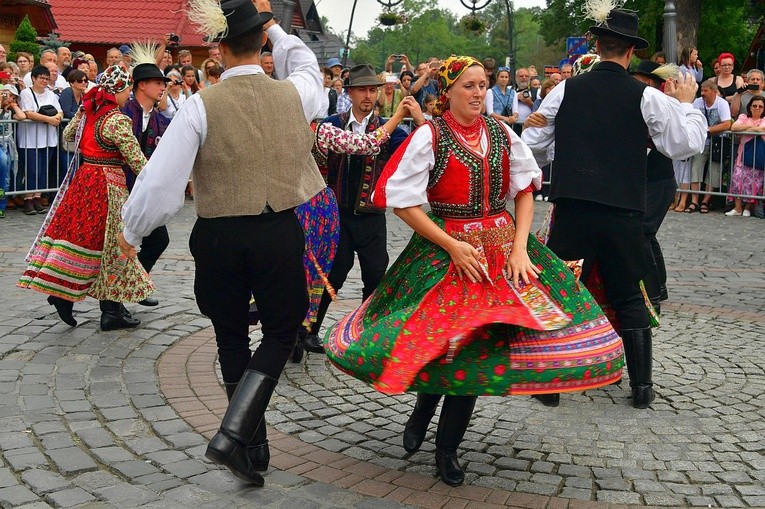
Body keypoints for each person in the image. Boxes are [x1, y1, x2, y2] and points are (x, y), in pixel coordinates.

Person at [323, 56, 624, 487]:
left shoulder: (502, 133)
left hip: (500, 252)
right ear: (447, 92)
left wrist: (520, 249)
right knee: (443, 342)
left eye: (483, 85)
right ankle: (423, 412)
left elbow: (524, 190)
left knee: (474, 350)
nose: (479, 93)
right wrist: (451, 245)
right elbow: (402, 200)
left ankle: (446, 448)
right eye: (469, 86)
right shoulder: (431, 134)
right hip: (448, 252)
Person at [119, 0, 326, 487]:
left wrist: (132, 231)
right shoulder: (295, 94)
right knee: (282, 331)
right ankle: (239, 437)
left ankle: (248, 445)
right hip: (277, 229)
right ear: (260, 44)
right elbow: (307, 64)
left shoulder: (198, 105)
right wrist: (276, 28)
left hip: (219, 234)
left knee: (230, 335)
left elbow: (160, 182)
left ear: (219, 47)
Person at [522, 5, 706, 409]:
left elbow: (532, 145)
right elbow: (684, 145)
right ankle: (642, 387)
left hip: (572, 210)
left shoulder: (565, 89)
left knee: (563, 292)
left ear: (599, 46)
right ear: (628, 52)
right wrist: (689, 105)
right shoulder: (645, 96)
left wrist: (549, 134)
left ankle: (550, 386)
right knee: (627, 296)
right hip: (622, 212)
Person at [18, 64, 154, 329]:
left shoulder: (91, 114)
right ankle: (108, 311)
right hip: (108, 186)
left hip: (84, 181)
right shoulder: (116, 120)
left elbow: (68, 137)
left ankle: (70, 297)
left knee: (84, 241)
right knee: (114, 246)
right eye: (126, 89)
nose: (128, 94)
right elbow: (139, 163)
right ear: (117, 90)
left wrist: (82, 113)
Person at [300, 64, 409, 355]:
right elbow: (362, 147)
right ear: (349, 93)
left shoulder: (389, 128)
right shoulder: (332, 124)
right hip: (338, 216)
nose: (369, 95)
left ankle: (365, 333)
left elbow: (413, 150)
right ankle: (308, 330)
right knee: (333, 274)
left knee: (375, 275)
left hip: (372, 216)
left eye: (373, 89)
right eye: (362, 89)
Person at [121, 46, 173, 307]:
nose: (162, 87)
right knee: (112, 248)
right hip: (118, 190)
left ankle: (135, 284)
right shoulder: (124, 113)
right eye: (157, 82)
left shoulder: (158, 118)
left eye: (163, 83)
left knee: (158, 239)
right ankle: (110, 305)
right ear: (141, 85)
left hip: (143, 192)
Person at [631, 60, 679, 315]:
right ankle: (659, 287)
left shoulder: (663, 106)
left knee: (644, 231)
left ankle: (653, 293)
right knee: (647, 233)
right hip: (647, 180)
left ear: (650, 83)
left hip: (660, 180)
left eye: (640, 80)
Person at [17, 65, 62, 215]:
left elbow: (59, 110)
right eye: (41, 78)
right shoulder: (26, 93)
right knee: (32, 170)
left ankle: (38, 196)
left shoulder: (51, 94)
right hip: (31, 139)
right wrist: (49, 119)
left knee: (43, 170)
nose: (44, 81)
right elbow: (28, 113)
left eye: (46, 78)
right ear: (33, 78)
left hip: (48, 138)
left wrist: (57, 117)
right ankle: (27, 198)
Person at [690, 80, 732, 214]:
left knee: (714, 172)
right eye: (701, 90)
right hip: (700, 143)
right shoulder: (697, 102)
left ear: (714, 92)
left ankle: (705, 201)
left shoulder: (722, 103)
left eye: (705, 91)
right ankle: (694, 200)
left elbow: (727, 124)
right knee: (695, 169)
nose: (702, 93)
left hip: (717, 142)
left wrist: (708, 130)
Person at [726, 95, 765, 217]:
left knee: (754, 183)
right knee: (737, 180)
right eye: (754, 106)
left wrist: (748, 128)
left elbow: (762, 129)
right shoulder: (743, 117)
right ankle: (737, 207)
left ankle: (748, 207)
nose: (757, 108)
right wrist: (753, 127)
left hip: (758, 156)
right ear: (750, 107)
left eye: (760, 106)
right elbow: (734, 127)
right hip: (742, 155)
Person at [0, 85, 26, 218]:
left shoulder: (10, 111)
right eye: (7, 95)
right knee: (3, 161)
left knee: (6, 177)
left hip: (7, 145)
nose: (9, 99)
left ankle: (1, 205)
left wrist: (13, 105)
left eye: (13, 97)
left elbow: (21, 116)